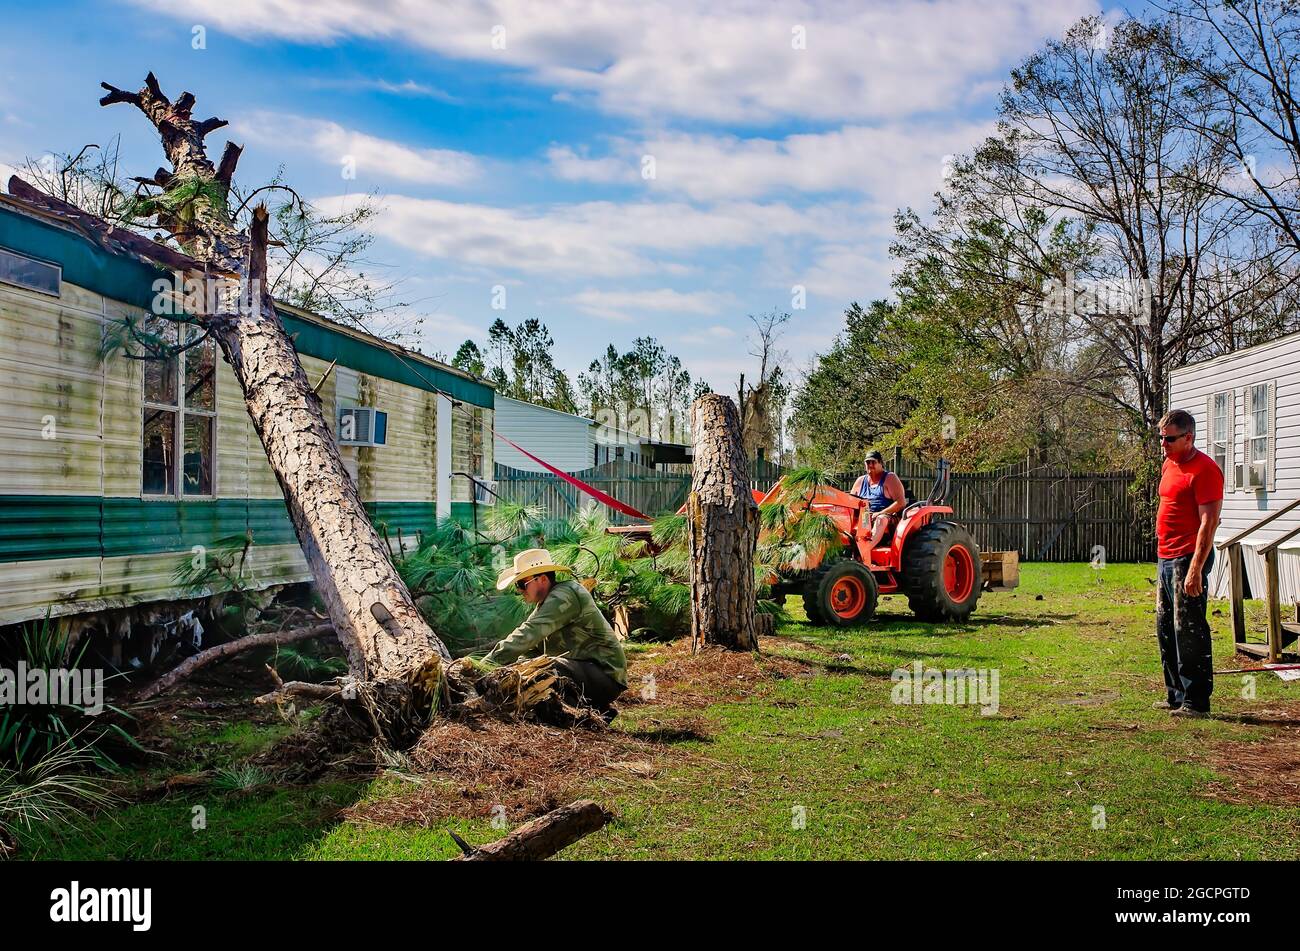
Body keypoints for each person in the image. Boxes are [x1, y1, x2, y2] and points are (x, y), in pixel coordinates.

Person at [482, 548, 627, 711]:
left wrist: (485, 665)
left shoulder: (564, 595)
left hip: (605, 675)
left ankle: (582, 712)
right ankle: (594, 710)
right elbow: (533, 650)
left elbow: (527, 635)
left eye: (522, 584)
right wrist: (512, 668)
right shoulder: (548, 603)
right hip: (589, 673)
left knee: (544, 671)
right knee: (529, 673)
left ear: (542, 579)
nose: (519, 590)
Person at [1154, 409, 1224, 718]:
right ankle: (1175, 695)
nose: (1163, 444)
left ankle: (1196, 702)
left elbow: (1209, 523)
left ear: (1189, 437)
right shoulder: (1169, 464)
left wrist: (1196, 568)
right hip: (1165, 556)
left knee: (1189, 629)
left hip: (1187, 557)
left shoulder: (1205, 469)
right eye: (1161, 438)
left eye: (1169, 439)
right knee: (1166, 627)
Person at [849, 450, 908, 554]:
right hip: (865, 516)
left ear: (881, 463)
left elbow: (901, 502)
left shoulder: (890, 478)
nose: (870, 465)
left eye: (873, 462)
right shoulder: (860, 481)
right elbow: (850, 502)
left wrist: (879, 513)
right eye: (868, 462)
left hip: (887, 517)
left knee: (881, 519)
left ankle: (863, 550)